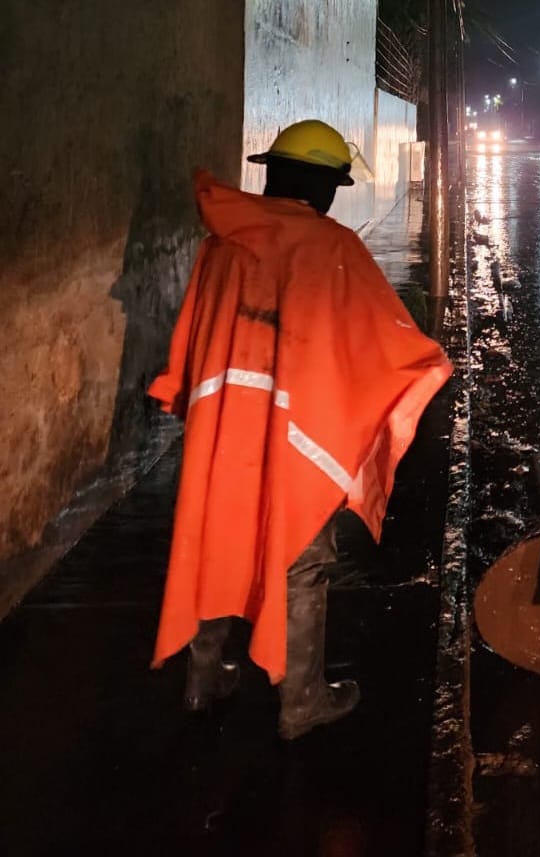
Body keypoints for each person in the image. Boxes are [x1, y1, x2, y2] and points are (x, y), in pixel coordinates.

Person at [149, 119, 452, 739]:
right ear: (325, 186)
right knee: (301, 563)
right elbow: (377, 340)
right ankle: (301, 700)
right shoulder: (333, 248)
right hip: (296, 435)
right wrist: (430, 363)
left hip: (223, 428)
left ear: (274, 173)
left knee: (215, 542)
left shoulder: (223, 242)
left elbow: (195, 335)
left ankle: (201, 683)